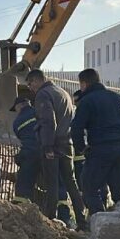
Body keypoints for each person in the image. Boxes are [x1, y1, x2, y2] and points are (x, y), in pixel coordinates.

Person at [71, 68, 120, 215]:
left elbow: (76, 128)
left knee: (89, 188)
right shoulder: (118, 97)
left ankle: (99, 221)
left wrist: (82, 148)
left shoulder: (86, 101)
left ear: (84, 84)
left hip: (100, 150)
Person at [25, 69, 84, 222]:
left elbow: (48, 122)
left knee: (52, 184)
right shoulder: (63, 93)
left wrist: (47, 147)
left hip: (53, 145)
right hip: (67, 143)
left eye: (30, 84)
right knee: (71, 182)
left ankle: (50, 221)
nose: (30, 88)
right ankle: (81, 219)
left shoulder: (43, 94)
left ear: (37, 80)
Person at [11, 95, 40, 201]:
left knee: (24, 182)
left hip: (30, 153)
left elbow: (25, 139)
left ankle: (22, 204)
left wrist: (20, 157)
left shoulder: (17, 122)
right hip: (49, 149)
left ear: (19, 106)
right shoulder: (39, 112)